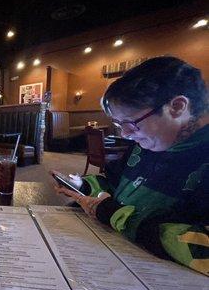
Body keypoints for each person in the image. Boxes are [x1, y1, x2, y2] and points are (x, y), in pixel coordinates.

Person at [53, 56, 208, 276]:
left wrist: (117, 216)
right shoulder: (145, 146)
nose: (125, 134)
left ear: (177, 107)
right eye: (119, 125)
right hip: (112, 260)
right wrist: (82, 185)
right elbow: (113, 185)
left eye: (131, 123)